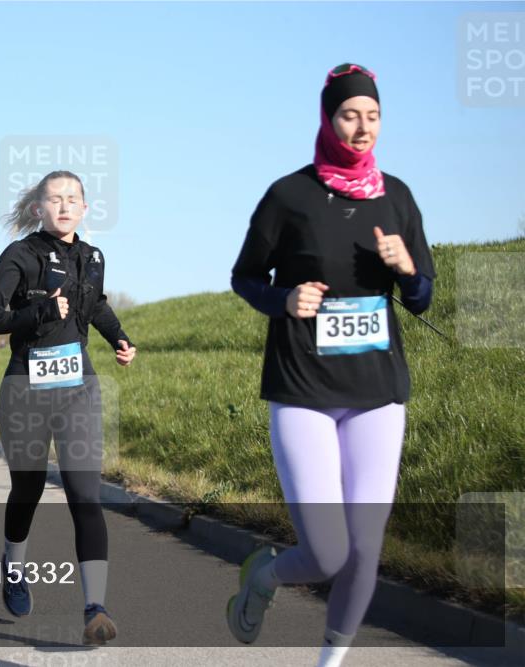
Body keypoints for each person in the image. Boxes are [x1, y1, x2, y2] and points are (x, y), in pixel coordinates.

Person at [227, 64, 435, 667]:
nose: (362, 127)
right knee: (326, 553)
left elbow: (423, 297)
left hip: (376, 391)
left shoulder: (397, 197)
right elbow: (244, 276)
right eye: (350, 115)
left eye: (372, 116)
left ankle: (330, 662)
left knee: (365, 550)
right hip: (303, 388)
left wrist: (407, 271)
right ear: (328, 119)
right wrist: (284, 299)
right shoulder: (288, 196)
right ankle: (264, 575)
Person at [0, 170, 136, 645]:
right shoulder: (19, 255)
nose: (64, 205)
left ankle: (95, 608)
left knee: (85, 496)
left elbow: (96, 305)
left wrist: (119, 338)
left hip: (78, 387)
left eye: (73, 199)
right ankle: (13, 565)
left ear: (85, 209)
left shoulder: (93, 257)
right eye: (55, 199)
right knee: (26, 490)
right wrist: (42, 312)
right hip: (26, 388)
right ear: (37, 209)